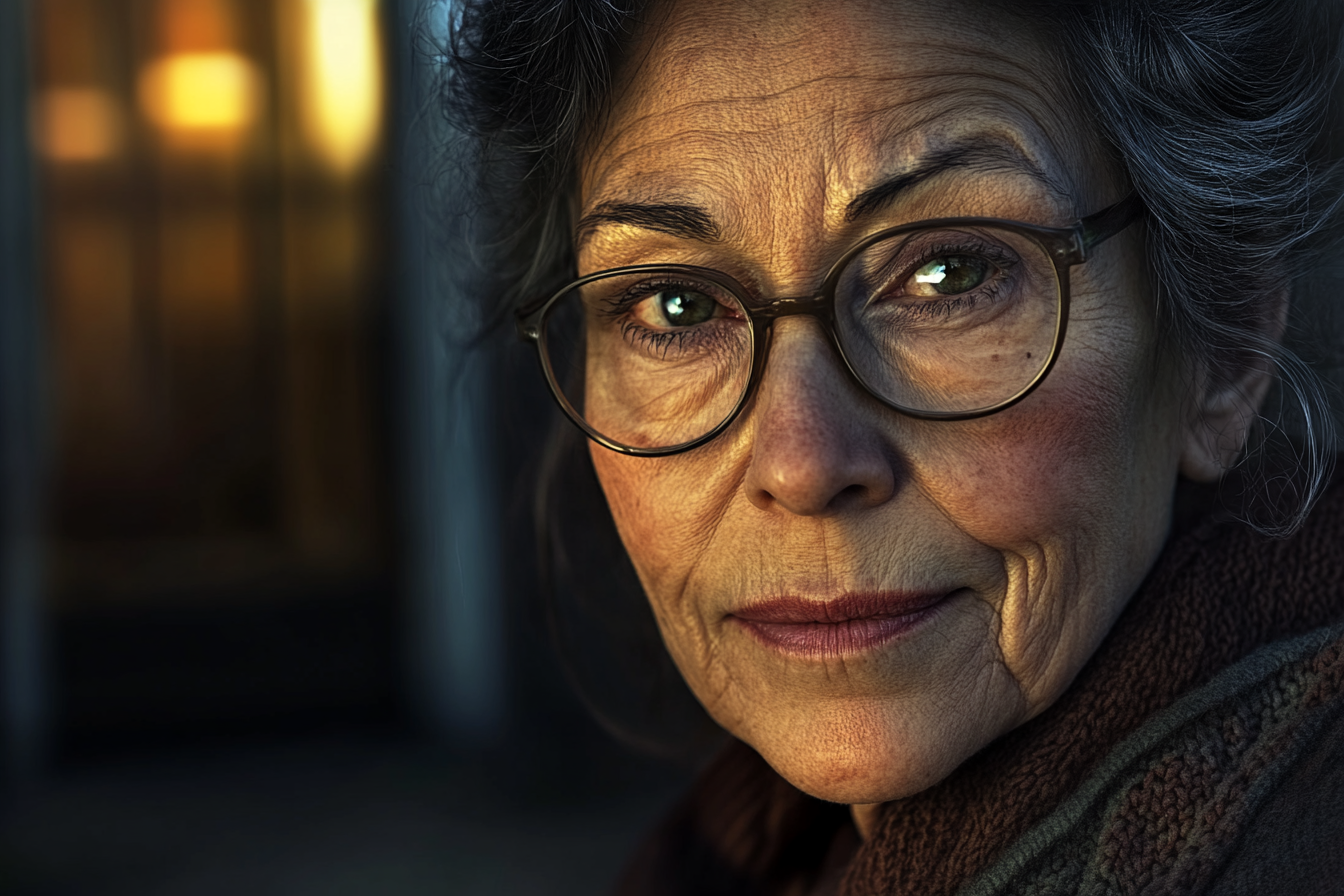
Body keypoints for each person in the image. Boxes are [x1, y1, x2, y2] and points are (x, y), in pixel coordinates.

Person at [438, 0, 1344, 892]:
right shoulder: (735, 858)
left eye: (951, 273)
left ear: (1223, 352)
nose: (802, 465)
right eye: (677, 306)